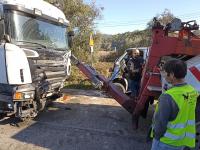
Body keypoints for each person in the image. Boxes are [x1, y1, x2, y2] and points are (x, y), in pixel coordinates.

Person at [151, 59, 199, 150]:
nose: (164, 76)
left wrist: (156, 136)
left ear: (172, 75)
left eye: (165, 73)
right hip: (181, 141)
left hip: (165, 142)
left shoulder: (168, 96)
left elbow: (160, 123)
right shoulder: (192, 91)